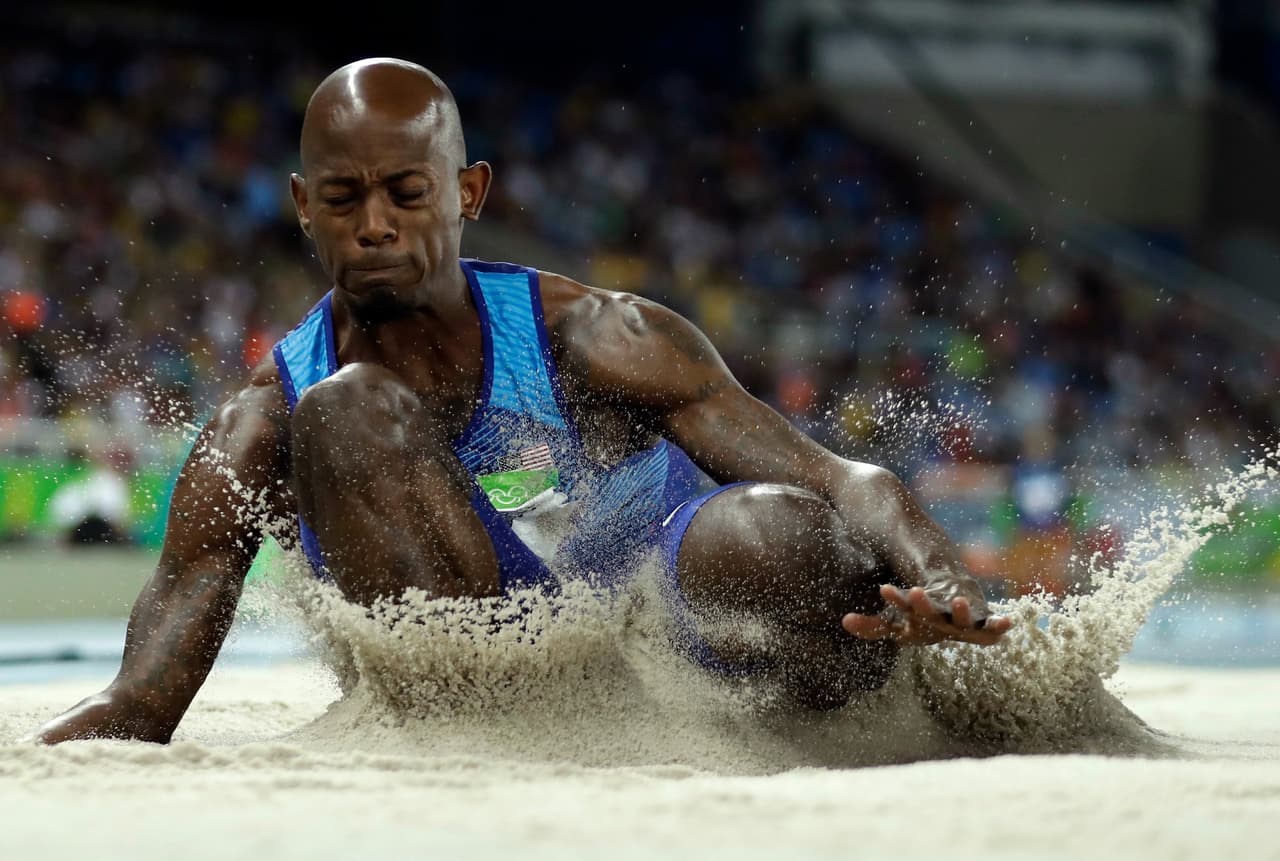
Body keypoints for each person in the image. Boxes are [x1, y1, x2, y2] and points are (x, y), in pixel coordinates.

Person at [31, 58, 1009, 745]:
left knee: (778, 534)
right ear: (301, 206)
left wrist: (939, 577)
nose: (374, 226)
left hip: (664, 615)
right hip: (480, 684)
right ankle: (482, 731)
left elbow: (839, 478)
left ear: (468, 192)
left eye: (406, 192)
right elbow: (143, 696)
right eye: (342, 198)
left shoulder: (595, 335)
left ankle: (897, 707)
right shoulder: (266, 416)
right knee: (346, 409)